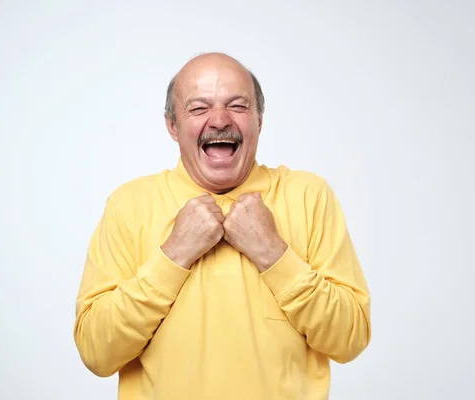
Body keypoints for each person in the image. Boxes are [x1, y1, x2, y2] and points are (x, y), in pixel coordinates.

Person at [73, 52, 371, 400]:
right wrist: (174, 254)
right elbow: (96, 352)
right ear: (172, 125)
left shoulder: (309, 196)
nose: (219, 120)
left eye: (238, 105)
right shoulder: (129, 205)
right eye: (199, 108)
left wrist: (272, 252)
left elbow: (350, 338)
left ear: (259, 120)